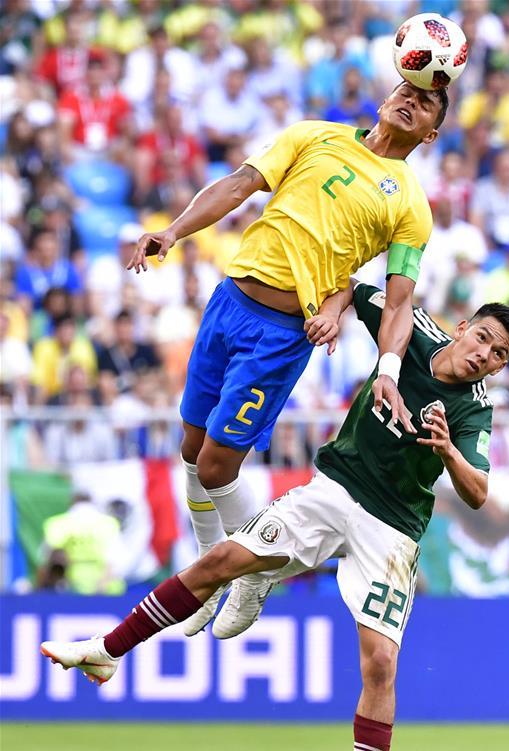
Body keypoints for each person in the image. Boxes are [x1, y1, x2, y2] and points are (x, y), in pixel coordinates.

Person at [40, 283, 509, 751]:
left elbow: (477, 492)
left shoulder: (474, 409)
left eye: (499, 355)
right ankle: (106, 650)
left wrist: (448, 450)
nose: (485, 355)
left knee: (381, 662)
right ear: (462, 328)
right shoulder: (412, 331)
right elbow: (353, 290)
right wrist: (329, 311)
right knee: (221, 562)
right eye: (483, 338)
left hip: (392, 528)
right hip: (333, 491)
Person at [126, 80, 449, 621]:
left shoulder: (410, 203)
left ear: (431, 132)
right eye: (406, 89)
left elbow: (398, 304)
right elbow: (238, 184)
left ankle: (254, 573)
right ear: (386, 95)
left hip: (280, 333)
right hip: (228, 300)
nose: (411, 99)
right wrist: (175, 231)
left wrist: (387, 367)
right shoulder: (312, 135)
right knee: (189, 446)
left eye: (427, 101)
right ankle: (210, 564)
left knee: (214, 468)